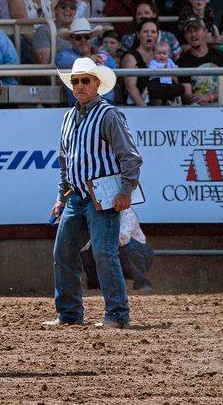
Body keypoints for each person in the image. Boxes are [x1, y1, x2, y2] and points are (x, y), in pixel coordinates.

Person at [45, 56, 142, 329]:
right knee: (63, 253)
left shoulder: (109, 114)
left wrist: (125, 191)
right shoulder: (67, 117)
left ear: (96, 84)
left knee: (103, 253)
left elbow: (130, 157)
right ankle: (69, 314)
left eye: (84, 80)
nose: (79, 85)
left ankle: (117, 314)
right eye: (75, 81)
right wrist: (60, 199)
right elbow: (66, 163)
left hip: (103, 195)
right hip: (76, 196)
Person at [81, 208, 155, 292]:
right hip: (108, 256)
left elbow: (123, 239)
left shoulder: (126, 211)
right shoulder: (91, 213)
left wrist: (99, 229)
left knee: (127, 247)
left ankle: (141, 284)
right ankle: (96, 288)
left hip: (135, 254)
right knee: (86, 253)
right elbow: (83, 247)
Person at [55, 18, 116, 105]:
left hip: (106, 102)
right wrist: (89, 61)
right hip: (80, 104)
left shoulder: (103, 55)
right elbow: (63, 61)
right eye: (78, 37)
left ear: (91, 38)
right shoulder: (64, 55)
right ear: (71, 40)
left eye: (87, 36)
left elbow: (111, 73)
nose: (83, 40)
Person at [178, 17, 223, 106]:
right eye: (189, 31)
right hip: (196, 107)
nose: (193, 34)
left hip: (221, 104)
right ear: (185, 36)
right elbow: (187, 96)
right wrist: (203, 102)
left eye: (196, 30)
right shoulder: (182, 62)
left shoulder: (221, 56)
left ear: (205, 32)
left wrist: (209, 97)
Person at [33, 0, 78, 65]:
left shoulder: (82, 29)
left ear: (75, 11)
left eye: (72, 6)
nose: (68, 9)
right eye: (63, 6)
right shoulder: (43, 31)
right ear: (55, 10)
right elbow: (44, 66)